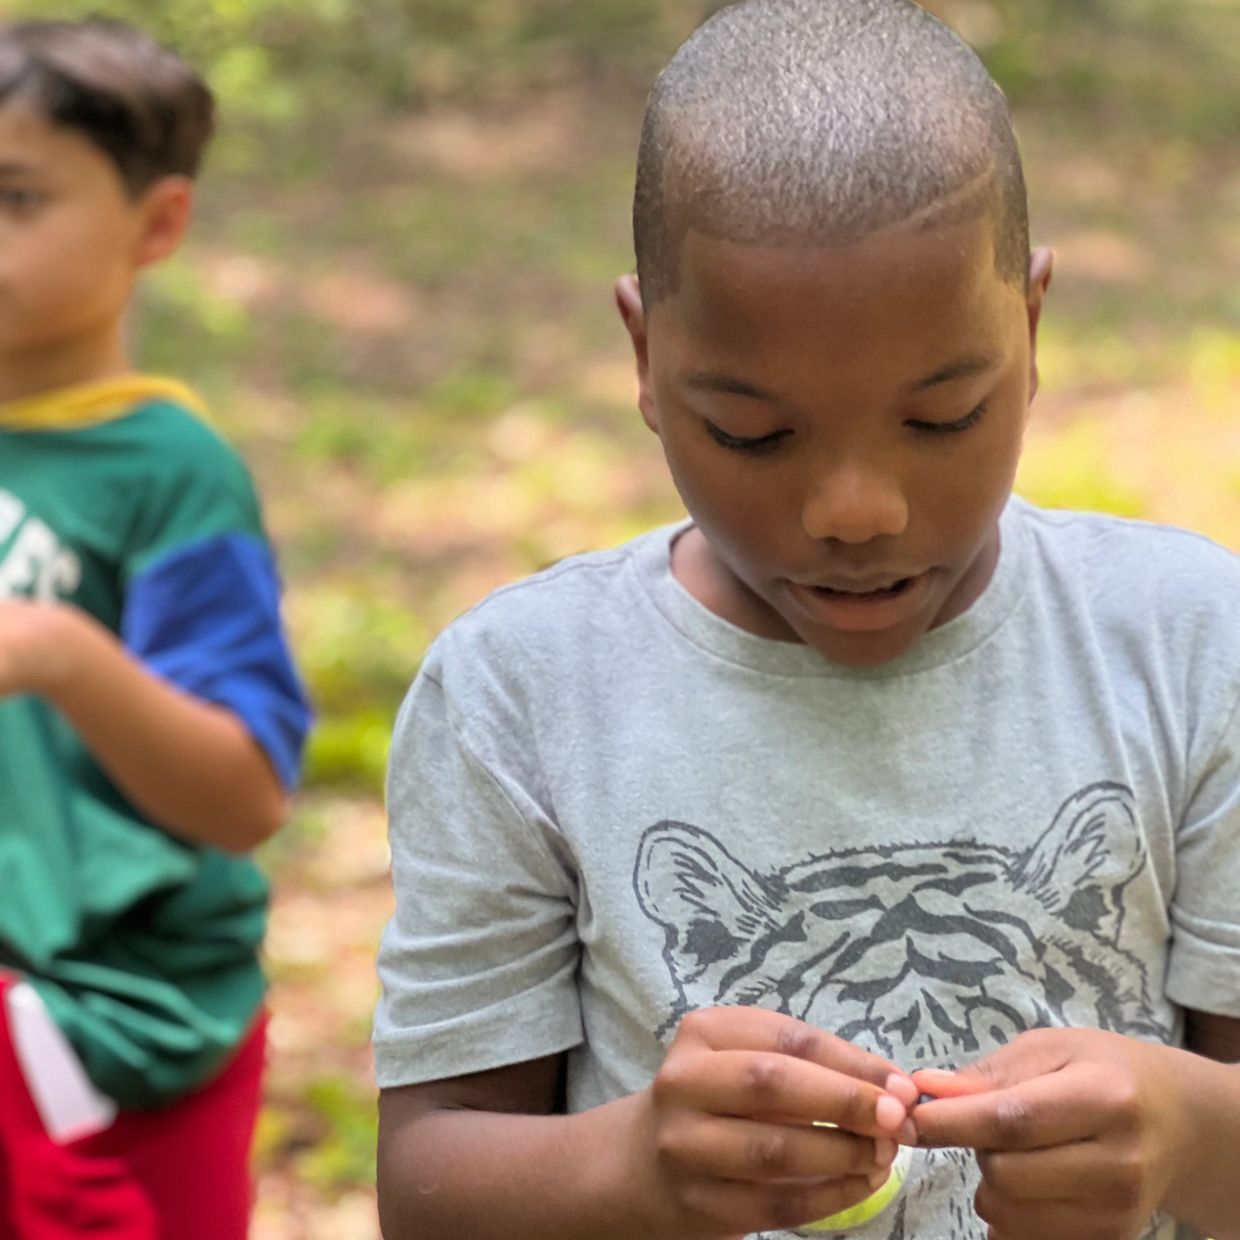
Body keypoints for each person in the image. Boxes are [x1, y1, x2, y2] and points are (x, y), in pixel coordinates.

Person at [372, 2, 1240, 1237]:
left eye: (942, 417)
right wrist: (633, 1169)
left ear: (1033, 332)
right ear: (641, 354)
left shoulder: (1193, 644)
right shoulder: (520, 694)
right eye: (752, 432)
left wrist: (1192, 1129)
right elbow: (426, 1190)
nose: (855, 509)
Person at [0, 18, 311, 1239]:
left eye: (16, 197)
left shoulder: (168, 473)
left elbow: (243, 794)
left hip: (118, 1036)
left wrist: (64, 656)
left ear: (158, 225)